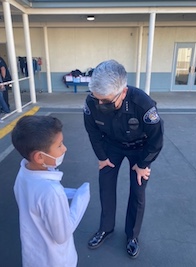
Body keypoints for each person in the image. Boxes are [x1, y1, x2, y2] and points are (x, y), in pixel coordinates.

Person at [83, 59, 164, 258]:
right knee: (106, 185)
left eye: (107, 101)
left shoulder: (142, 104)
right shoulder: (92, 101)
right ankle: (106, 228)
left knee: (138, 191)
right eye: (97, 99)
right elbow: (92, 131)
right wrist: (101, 157)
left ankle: (132, 236)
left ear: (123, 92)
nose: (100, 104)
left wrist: (144, 164)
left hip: (140, 148)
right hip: (111, 147)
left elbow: (156, 140)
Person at [12, 115, 90, 267]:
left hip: (33, 257)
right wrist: (81, 199)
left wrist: (70, 193)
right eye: (60, 145)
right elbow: (62, 235)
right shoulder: (52, 192)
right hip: (57, 261)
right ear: (40, 157)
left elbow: (36, 200)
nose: (65, 148)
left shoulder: (23, 173)